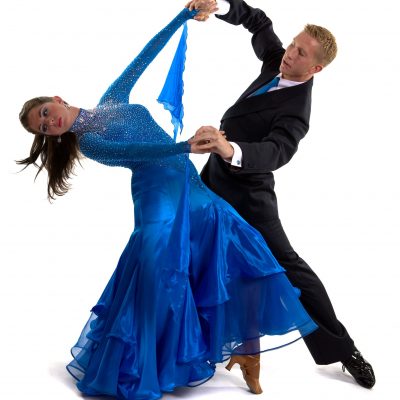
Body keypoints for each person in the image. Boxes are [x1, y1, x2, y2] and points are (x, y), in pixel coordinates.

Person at [17, 3, 318, 399]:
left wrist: (183, 17)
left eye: (44, 112)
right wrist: (183, 146)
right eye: (42, 127)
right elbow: (143, 151)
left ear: (55, 98)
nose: (49, 121)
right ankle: (155, 365)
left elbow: (148, 52)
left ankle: (247, 351)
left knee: (239, 247)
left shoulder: (113, 96)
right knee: (163, 273)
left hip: (187, 182)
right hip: (157, 195)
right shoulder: (89, 143)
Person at [189, 0, 376, 389]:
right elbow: (259, 23)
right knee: (189, 252)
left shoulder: (297, 109)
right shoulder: (278, 62)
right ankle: (185, 344)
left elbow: (277, 152)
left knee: (291, 270)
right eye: (293, 45)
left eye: (301, 53)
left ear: (316, 68)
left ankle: (344, 350)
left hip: (250, 195)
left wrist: (229, 149)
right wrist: (219, 4)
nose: (290, 53)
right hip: (213, 181)